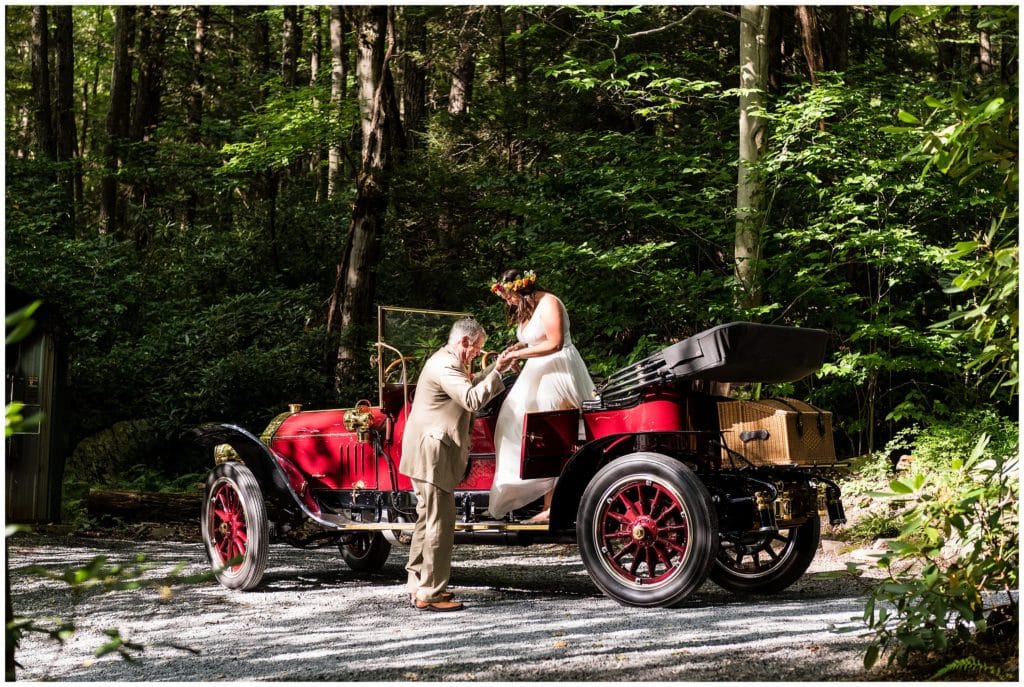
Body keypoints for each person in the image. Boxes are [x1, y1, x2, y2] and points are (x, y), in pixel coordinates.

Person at [399, 317, 514, 612]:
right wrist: (497, 372)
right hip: (432, 454)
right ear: (464, 341)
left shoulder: (446, 361)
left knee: (426, 519)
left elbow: (469, 385)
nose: (477, 353)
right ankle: (431, 594)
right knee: (440, 522)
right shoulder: (447, 365)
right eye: (477, 349)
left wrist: (496, 368)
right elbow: (472, 399)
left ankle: (418, 585)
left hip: (423, 450)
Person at [487, 269, 595, 523]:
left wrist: (517, 356)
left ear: (523, 289)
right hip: (537, 371)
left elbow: (555, 343)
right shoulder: (529, 308)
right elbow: (535, 340)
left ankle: (552, 505)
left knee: (551, 430)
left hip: (558, 369)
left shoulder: (549, 303)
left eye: (509, 295)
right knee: (511, 421)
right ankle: (530, 492)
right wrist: (516, 348)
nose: (508, 301)